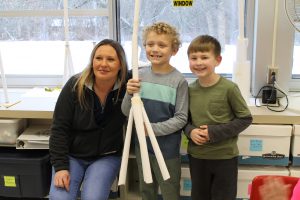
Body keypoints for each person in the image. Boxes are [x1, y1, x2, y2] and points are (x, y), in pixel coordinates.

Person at [49, 39, 128, 200]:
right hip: (72, 156)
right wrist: (60, 167)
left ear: (121, 64)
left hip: (107, 156)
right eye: (98, 58)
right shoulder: (75, 85)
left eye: (111, 59)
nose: (103, 64)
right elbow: (59, 129)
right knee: (59, 198)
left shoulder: (127, 87)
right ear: (92, 61)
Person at [121, 22, 188, 200]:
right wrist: (129, 93)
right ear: (144, 47)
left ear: (174, 50)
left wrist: (151, 129)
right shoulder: (138, 75)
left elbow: (181, 118)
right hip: (143, 147)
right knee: (146, 190)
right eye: (150, 44)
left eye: (162, 45)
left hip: (167, 151)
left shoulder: (178, 81)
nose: (155, 49)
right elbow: (127, 111)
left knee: (169, 191)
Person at [184, 35, 253, 200]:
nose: (198, 62)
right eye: (194, 58)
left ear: (218, 60)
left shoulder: (229, 88)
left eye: (204, 57)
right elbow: (184, 121)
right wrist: (191, 131)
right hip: (198, 157)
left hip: (224, 158)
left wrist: (214, 132)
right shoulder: (189, 90)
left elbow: (245, 119)